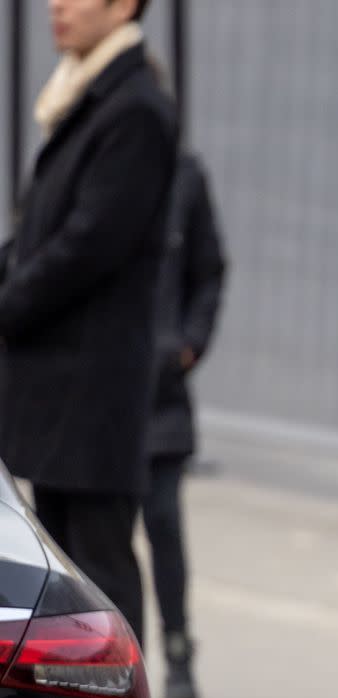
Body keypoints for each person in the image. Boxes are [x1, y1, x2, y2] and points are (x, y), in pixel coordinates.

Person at [0, 0, 177, 647]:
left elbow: (87, 245)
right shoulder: (84, 95)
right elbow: (36, 238)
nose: (56, 5)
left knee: (96, 578)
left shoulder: (135, 111)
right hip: (62, 394)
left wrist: (8, 305)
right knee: (64, 573)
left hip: (92, 396)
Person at [144, 148, 227, 698]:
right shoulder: (83, 161)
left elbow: (210, 268)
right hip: (95, 395)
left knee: (164, 522)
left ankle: (177, 650)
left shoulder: (183, 173)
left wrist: (188, 345)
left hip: (160, 392)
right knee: (94, 544)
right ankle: (109, 670)